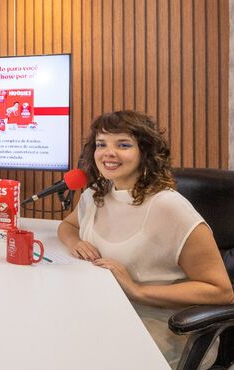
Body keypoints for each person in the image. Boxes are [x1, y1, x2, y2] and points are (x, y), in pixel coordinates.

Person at [57, 110, 233, 368]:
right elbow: (67, 226)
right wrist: (76, 242)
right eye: (101, 144)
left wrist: (138, 290)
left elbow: (222, 291)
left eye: (123, 145)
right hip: (106, 312)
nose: (108, 152)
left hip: (160, 327)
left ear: (145, 152)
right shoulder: (97, 194)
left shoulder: (169, 207)